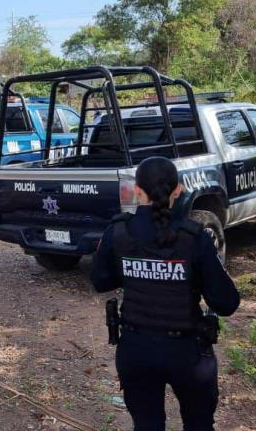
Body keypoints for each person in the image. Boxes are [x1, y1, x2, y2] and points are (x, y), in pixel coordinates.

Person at [89, 156, 240, 431]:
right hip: (187, 353)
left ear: (136, 190)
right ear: (178, 190)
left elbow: (100, 281)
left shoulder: (118, 231)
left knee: (147, 426)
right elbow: (227, 302)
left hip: (136, 349)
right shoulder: (194, 238)